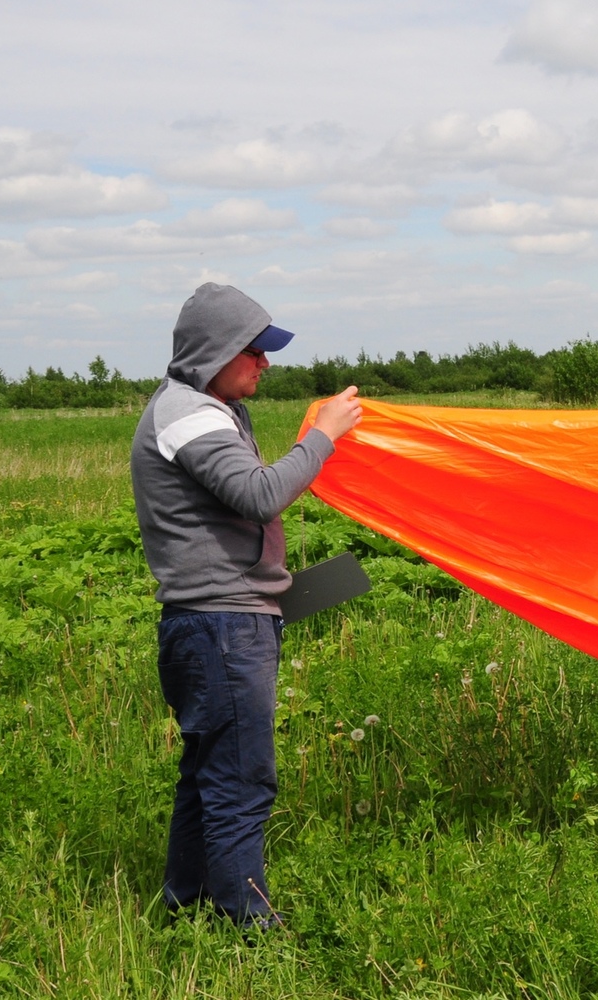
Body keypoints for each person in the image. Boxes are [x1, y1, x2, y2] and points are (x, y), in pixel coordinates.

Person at [130, 283, 362, 923]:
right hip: (221, 627)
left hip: (217, 624)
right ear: (217, 352)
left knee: (208, 776)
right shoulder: (190, 414)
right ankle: (248, 924)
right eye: (255, 351)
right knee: (239, 780)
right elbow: (260, 495)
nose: (265, 363)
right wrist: (322, 437)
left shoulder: (206, 408)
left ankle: (186, 906)